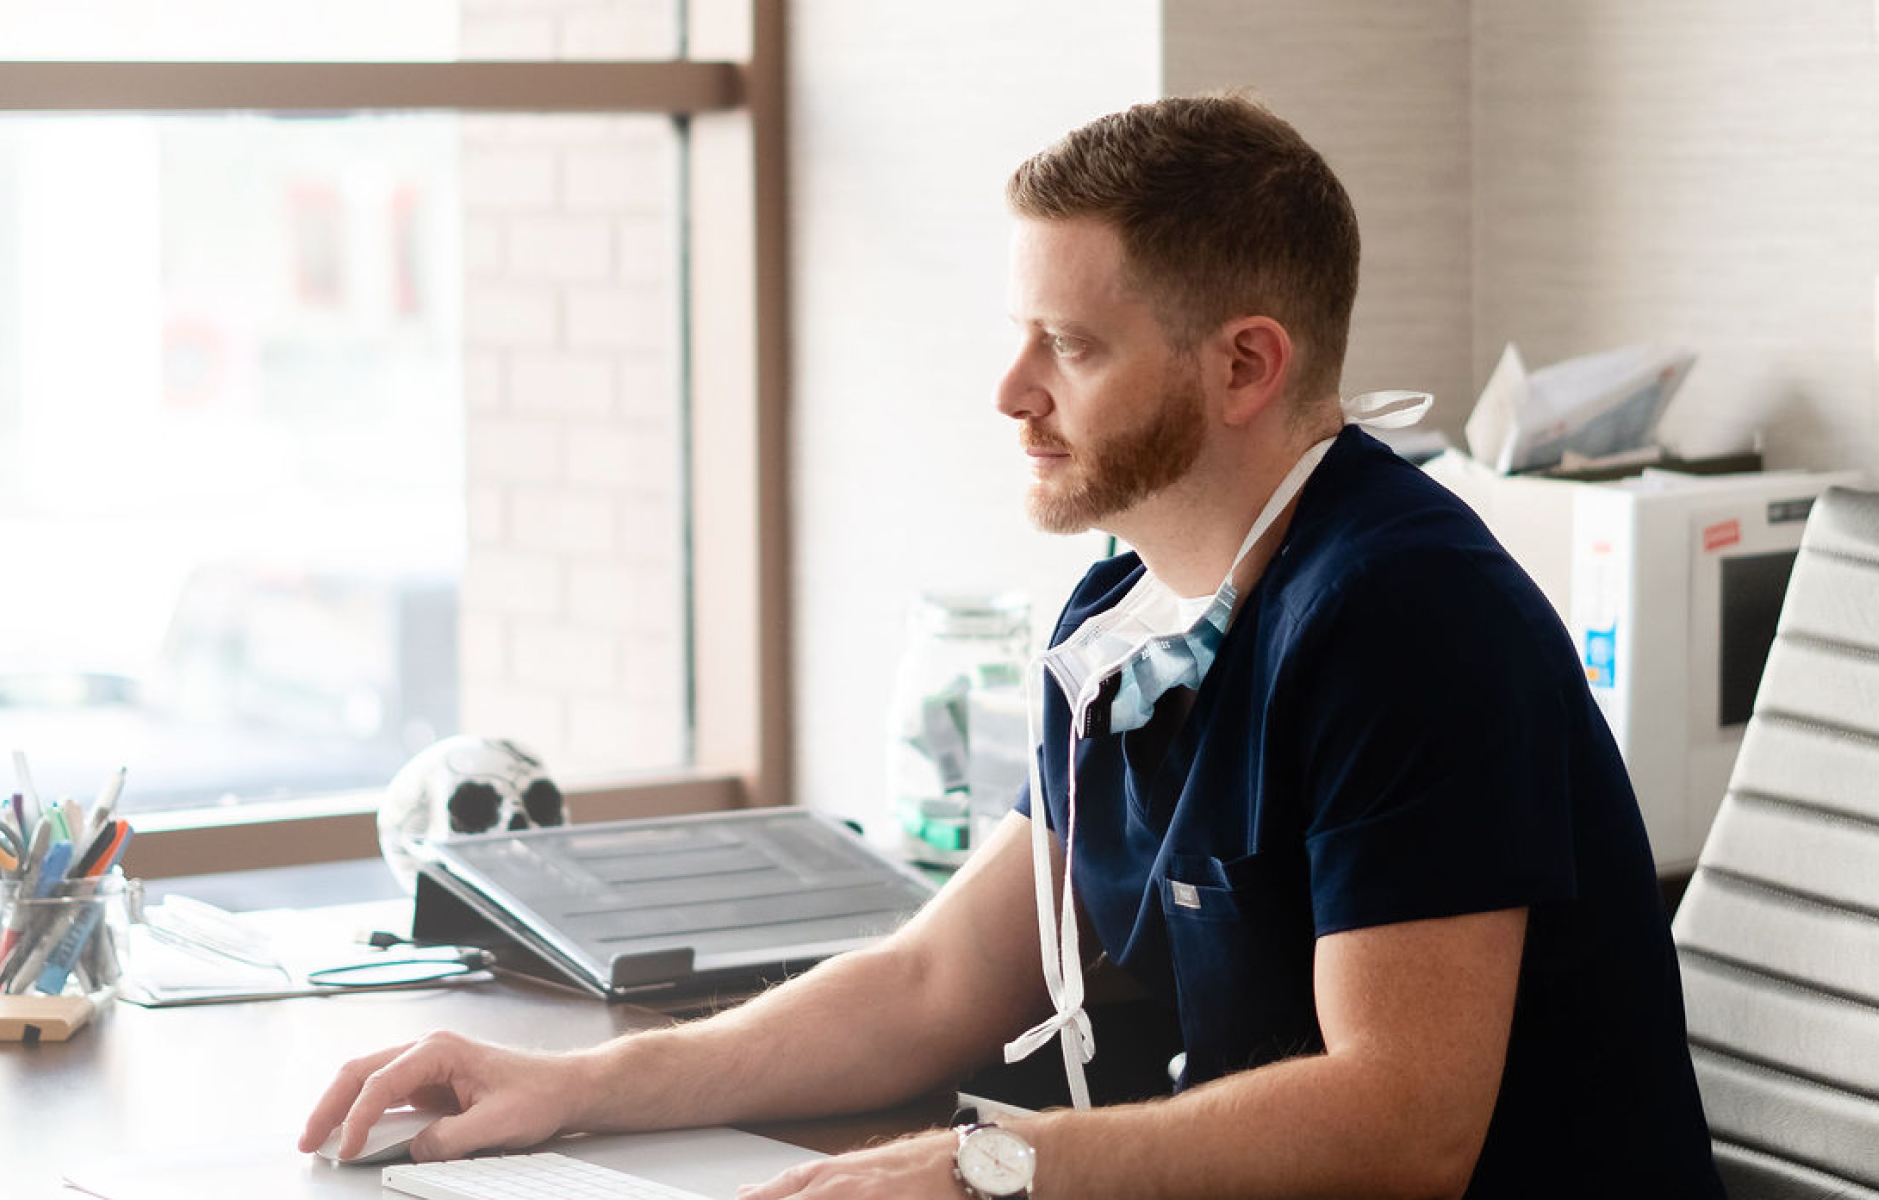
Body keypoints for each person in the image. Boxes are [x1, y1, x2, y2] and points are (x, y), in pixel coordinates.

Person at [301, 94, 1726, 1198]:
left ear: (1245, 364)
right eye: (1019, 335)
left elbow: (1402, 1127)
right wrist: (573, 1088)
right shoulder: (1134, 609)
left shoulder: (1406, 621)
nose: (1011, 392)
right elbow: (933, 984)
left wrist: (997, 1165)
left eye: (1073, 347)